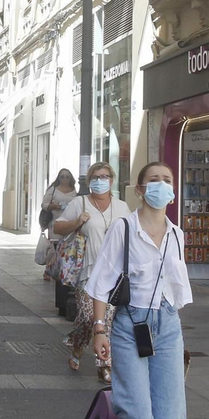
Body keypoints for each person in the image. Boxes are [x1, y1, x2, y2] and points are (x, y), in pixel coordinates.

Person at [88, 160, 191, 419]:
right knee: (141, 418)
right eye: (155, 180)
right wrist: (99, 329)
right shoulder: (124, 229)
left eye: (168, 179)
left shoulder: (177, 234)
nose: (162, 185)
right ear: (140, 189)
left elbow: (176, 292)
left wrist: (177, 338)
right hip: (130, 323)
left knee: (170, 417)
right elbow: (100, 283)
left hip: (167, 326)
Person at [54, 161, 130, 383]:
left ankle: (104, 364)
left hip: (115, 274)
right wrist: (77, 222)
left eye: (104, 176)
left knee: (105, 319)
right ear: (89, 181)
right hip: (87, 271)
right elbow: (58, 227)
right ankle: (78, 345)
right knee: (89, 316)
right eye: (95, 177)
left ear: (112, 179)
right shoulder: (81, 203)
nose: (100, 181)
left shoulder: (122, 207)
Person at [41, 168, 78, 283]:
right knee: (55, 249)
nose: (65, 179)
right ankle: (48, 269)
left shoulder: (74, 191)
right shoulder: (53, 190)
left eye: (67, 176)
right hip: (55, 222)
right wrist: (54, 206)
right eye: (62, 176)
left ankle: (60, 270)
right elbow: (44, 204)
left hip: (69, 224)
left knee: (66, 249)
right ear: (58, 178)